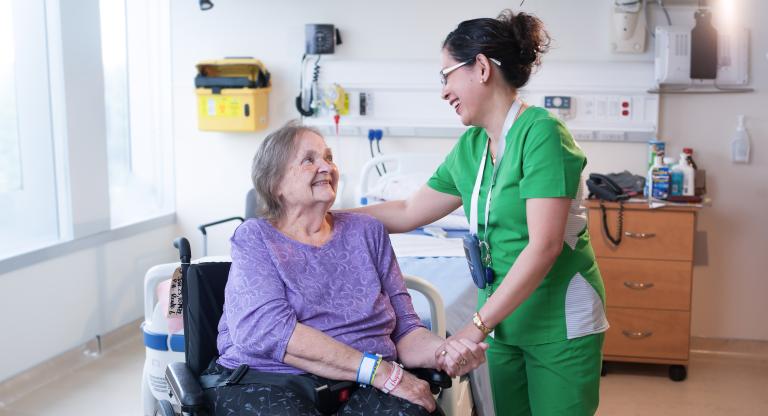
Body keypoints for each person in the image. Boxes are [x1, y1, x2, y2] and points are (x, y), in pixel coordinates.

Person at [353, 10, 609, 416]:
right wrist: (326, 214)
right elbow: (407, 210)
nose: (444, 92)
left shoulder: (541, 133)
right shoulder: (472, 147)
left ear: (482, 68)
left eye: (446, 76)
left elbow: (544, 247)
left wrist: (475, 327)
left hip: (557, 320)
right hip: (503, 320)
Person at [207, 121, 488, 416]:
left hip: (360, 386)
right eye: (309, 159)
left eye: (329, 158)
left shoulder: (366, 231)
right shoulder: (256, 237)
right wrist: (380, 372)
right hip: (271, 379)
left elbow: (406, 330)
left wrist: (443, 351)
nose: (326, 167)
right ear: (275, 183)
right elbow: (270, 332)